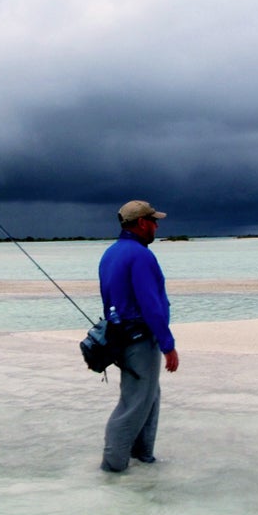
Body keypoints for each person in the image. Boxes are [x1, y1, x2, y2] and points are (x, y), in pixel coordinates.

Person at [98, 199, 180, 472]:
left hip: (121, 337)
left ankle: (143, 458)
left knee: (148, 396)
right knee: (134, 404)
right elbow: (150, 305)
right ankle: (113, 468)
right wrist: (168, 345)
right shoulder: (141, 256)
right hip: (140, 339)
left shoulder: (111, 253)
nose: (157, 226)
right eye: (154, 221)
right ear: (142, 223)